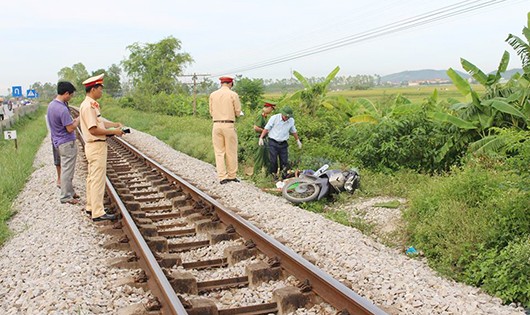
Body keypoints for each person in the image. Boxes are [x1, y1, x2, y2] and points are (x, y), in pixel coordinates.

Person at [79, 74, 124, 222]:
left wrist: (114, 125)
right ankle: (98, 212)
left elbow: (99, 122)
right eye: (100, 89)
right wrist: (113, 132)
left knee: (92, 178)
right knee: (97, 179)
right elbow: (94, 130)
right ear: (93, 89)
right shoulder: (88, 106)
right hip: (96, 145)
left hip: (93, 146)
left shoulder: (90, 105)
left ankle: (91, 206)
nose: (101, 92)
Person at [47, 81, 80, 205]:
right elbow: (70, 128)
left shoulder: (51, 105)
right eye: (71, 95)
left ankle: (70, 192)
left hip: (57, 141)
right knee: (67, 170)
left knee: (67, 168)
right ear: (66, 93)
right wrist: (78, 120)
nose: (71, 97)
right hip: (66, 142)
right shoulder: (62, 109)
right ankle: (66, 196)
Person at [209, 76, 242, 184]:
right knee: (231, 151)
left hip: (216, 125)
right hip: (229, 125)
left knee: (219, 152)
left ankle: (222, 177)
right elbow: (238, 111)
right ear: (231, 83)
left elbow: (211, 111)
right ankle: (232, 175)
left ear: (221, 83)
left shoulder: (213, 95)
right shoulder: (233, 95)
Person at [258, 106, 302, 180]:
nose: (286, 118)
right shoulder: (274, 118)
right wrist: (261, 137)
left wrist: (298, 140)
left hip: (283, 143)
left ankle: (283, 176)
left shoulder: (291, 120)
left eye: (288, 117)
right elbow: (266, 128)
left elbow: (293, 131)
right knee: (273, 160)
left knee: (284, 161)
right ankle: (273, 176)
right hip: (273, 142)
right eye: (285, 116)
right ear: (282, 114)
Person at [253, 102, 276, 175]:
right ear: (269, 108)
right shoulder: (260, 115)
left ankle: (268, 175)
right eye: (271, 110)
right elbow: (256, 128)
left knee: (267, 158)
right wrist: (265, 131)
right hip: (259, 139)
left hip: (264, 138)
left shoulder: (264, 115)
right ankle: (256, 176)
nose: (271, 112)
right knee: (259, 158)